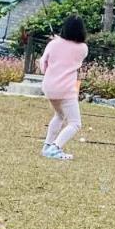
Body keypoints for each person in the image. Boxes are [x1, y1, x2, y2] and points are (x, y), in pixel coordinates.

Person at [37, 15, 89, 160]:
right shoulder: (83, 48)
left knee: (59, 115)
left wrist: (56, 42)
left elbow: (43, 65)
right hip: (66, 89)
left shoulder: (53, 44)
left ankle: (47, 146)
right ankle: (55, 148)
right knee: (75, 123)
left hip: (49, 87)